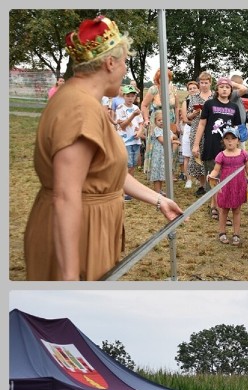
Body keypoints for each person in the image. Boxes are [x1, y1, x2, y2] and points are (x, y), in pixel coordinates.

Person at [24, 16, 182, 280]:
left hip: (88, 229)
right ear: (110, 63)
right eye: (124, 63)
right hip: (77, 235)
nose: (124, 71)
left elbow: (106, 173)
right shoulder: (81, 109)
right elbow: (65, 195)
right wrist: (69, 277)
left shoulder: (85, 101)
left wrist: (159, 200)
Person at [193, 76, 244, 219]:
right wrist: (196, 144)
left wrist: (237, 146)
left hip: (227, 147)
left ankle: (222, 204)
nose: (224, 89)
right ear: (217, 89)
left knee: (226, 176)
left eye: (227, 87)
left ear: (231, 90)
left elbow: (236, 128)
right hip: (211, 145)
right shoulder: (209, 104)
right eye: (222, 87)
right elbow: (202, 124)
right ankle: (213, 205)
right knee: (213, 176)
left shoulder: (234, 107)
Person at [207, 127, 248, 246]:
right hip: (225, 187)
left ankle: (236, 234)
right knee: (223, 210)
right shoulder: (221, 155)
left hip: (239, 186)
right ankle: (222, 232)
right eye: (227, 138)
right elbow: (216, 170)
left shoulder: (243, 154)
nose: (230, 141)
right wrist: (211, 177)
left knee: (237, 210)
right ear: (223, 140)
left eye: (233, 138)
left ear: (238, 140)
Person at [141, 67, 178, 176]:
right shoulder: (153, 89)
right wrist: (146, 119)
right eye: (161, 77)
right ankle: (155, 171)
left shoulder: (173, 89)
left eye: (166, 77)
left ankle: (170, 171)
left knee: (171, 143)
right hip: (156, 120)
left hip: (170, 119)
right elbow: (144, 105)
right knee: (157, 145)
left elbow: (176, 107)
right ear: (158, 78)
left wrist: (176, 122)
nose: (164, 79)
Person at [187, 72, 215, 194]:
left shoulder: (215, 96)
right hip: (196, 128)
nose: (203, 85)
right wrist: (194, 113)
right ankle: (202, 185)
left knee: (210, 156)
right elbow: (188, 115)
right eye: (201, 83)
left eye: (206, 82)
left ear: (210, 83)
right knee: (198, 157)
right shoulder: (193, 97)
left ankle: (212, 183)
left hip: (211, 129)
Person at [114, 84, 143, 180]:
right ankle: (124, 187)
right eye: (128, 96)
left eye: (132, 96)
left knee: (133, 165)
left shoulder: (136, 108)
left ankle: (130, 188)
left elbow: (141, 123)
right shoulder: (120, 108)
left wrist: (139, 132)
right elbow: (122, 126)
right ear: (123, 96)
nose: (130, 98)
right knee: (127, 165)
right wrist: (133, 115)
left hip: (136, 141)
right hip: (125, 141)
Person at [149, 110, 179, 196]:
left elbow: (175, 136)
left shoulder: (167, 130)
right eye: (159, 120)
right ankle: (157, 191)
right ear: (155, 121)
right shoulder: (156, 130)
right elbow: (163, 141)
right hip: (158, 156)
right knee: (157, 173)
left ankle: (160, 189)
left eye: (163, 120)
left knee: (162, 173)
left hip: (164, 156)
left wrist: (172, 137)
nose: (161, 121)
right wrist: (173, 140)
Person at [178, 80, 199, 188]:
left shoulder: (202, 100)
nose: (192, 90)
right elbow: (185, 119)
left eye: (194, 88)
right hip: (189, 129)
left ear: (198, 88)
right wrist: (195, 119)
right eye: (190, 88)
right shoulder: (186, 102)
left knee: (199, 155)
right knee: (187, 155)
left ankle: (199, 178)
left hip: (200, 130)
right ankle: (188, 179)